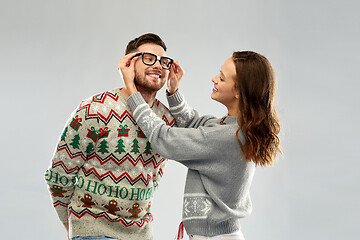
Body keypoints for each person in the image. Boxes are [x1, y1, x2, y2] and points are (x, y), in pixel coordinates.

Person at [119, 50, 281, 240]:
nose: (214, 79)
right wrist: (173, 92)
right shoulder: (232, 127)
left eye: (222, 77)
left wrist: (131, 90)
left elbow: (164, 139)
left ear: (239, 91)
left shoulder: (229, 137)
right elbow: (195, 124)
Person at [44, 33, 176, 240]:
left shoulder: (166, 120)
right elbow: (59, 176)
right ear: (128, 64)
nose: (158, 65)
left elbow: (156, 176)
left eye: (164, 61)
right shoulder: (96, 109)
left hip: (143, 234)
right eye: (149, 58)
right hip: (93, 231)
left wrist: (174, 93)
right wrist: (73, 228)